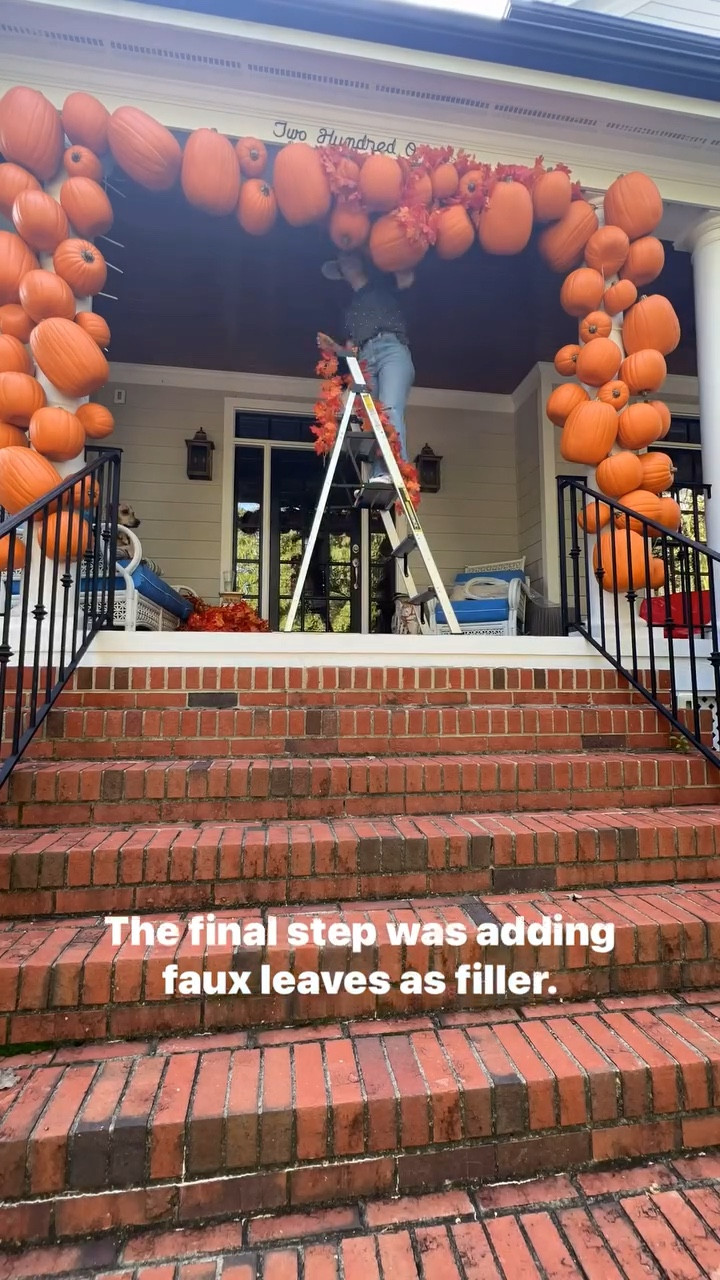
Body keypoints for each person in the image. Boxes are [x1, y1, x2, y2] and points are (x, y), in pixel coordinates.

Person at [317, 253, 415, 485]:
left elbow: (407, 277)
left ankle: (396, 469)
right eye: (341, 263)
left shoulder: (382, 284)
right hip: (365, 357)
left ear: (361, 262)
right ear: (341, 273)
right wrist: (335, 349)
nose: (346, 263)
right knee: (374, 418)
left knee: (390, 409)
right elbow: (351, 351)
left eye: (350, 258)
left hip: (392, 348)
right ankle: (382, 472)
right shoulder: (349, 311)